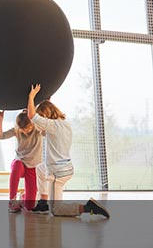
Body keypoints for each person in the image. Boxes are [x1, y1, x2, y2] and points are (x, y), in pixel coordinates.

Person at [27, 84, 109, 218]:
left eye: (42, 117)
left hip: (57, 173)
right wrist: (47, 102)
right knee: (40, 169)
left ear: (46, 116)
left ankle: (87, 207)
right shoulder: (63, 124)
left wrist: (31, 96)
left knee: (56, 210)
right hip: (65, 168)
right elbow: (43, 127)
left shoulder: (52, 126)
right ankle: (43, 202)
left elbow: (32, 115)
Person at [0, 108, 42, 213]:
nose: (25, 131)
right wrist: (0, 119)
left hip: (33, 167)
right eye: (23, 129)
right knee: (17, 165)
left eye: (27, 128)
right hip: (20, 163)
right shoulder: (17, 130)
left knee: (29, 207)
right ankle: (12, 201)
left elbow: (39, 114)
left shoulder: (38, 128)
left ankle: (24, 197)